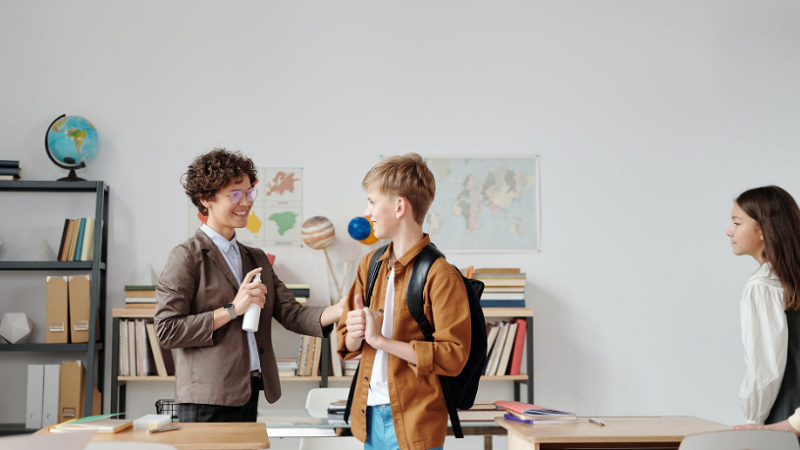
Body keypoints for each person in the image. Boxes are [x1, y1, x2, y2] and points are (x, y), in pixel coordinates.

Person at [155, 148, 343, 422]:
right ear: (206, 199)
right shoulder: (187, 256)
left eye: (249, 192)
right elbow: (167, 330)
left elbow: (292, 313)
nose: (246, 202)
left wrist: (344, 308)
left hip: (249, 389)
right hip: (206, 399)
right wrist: (232, 309)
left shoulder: (254, 258)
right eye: (235, 193)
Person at [337, 153, 472, 450]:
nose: (366, 211)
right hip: (369, 417)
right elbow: (346, 342)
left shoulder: (441, 275)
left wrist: (382, 341)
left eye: (372, 202)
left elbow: (453, 356)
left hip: (416, 420)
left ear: (399, 207)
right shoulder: (369, 265)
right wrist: (356, 334)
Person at [725, 186, 800, 427]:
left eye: (737, 223)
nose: (729, 231)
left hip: (783, 419)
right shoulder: (789, 284)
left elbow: (765, 369)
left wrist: (753, 421)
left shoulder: (762, 285)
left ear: (762, 230)